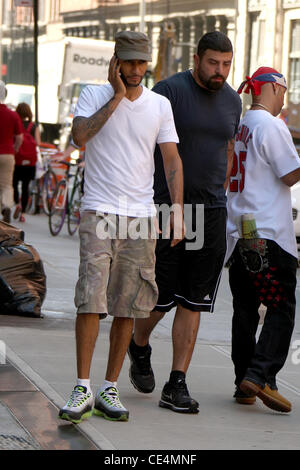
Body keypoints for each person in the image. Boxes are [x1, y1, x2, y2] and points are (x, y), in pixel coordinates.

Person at [58, 31, 184, 424]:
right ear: (115, 61)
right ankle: (83, 386)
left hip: (140, 216)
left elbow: (172, 160)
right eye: (127, 62)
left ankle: (109, 388)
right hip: (99, 210)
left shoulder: (160, 105)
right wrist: (115, 97)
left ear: (148, 63)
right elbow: (79, 137)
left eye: (140, 63)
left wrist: (178, 211)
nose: (134, 70)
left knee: (128, 303)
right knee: (90, 298)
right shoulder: (94, 95)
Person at [128, 31, 242, 414]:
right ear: (197, 58)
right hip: (169, 208)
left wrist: (221, 191)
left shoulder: (232, 100)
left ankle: (177, 382)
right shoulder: (169, 92)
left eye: (226, 64)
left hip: (211, 210)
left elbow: (227, 148)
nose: (220, 71)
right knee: (161, 296)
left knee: (194, 299)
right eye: (213, 63)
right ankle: (138, 344)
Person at [226, 67, 300, 413]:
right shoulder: (271, 125)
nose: (284, 99)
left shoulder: (245, 124)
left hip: (242, 231)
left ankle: (245, 381)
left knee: (245, 308)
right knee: (280, 306)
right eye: (283, 91)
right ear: (271, 88)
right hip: (267, 234)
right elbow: (290, 175)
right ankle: (259, 375)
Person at [13, 102, 41, 222]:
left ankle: (16, 202)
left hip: (17, 159)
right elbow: (38, 143)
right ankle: (23, 213)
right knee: (26, 187)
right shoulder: (34, 126)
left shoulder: (16, 124)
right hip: (30, 162)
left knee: (14, 184)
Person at [0, 81, 23, 224]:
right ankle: (7, 206)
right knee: (6, 184)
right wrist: (14, 149)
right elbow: (19, 137)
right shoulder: (13, 115)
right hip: (8, 153)